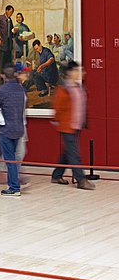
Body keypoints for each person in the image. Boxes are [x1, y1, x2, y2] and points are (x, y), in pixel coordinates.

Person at [51, 62, 95, 190]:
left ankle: (56, 174)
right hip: (66, 126)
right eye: (79, 70)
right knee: (74, 153)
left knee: (68, 151)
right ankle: (81, 180)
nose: (82, 73)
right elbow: (58, 108)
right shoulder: (63, 88)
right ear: (70, 72)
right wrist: (58, 121)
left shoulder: (79, 87)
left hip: (77, 125)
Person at [0, 65, 25, 196]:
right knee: (14, 159)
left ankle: (14, 187)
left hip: (6, 129)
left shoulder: (2, 90)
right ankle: (14, 183)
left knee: (9, 159)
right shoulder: (20, 89)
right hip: (18, 128)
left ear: (3, 76)